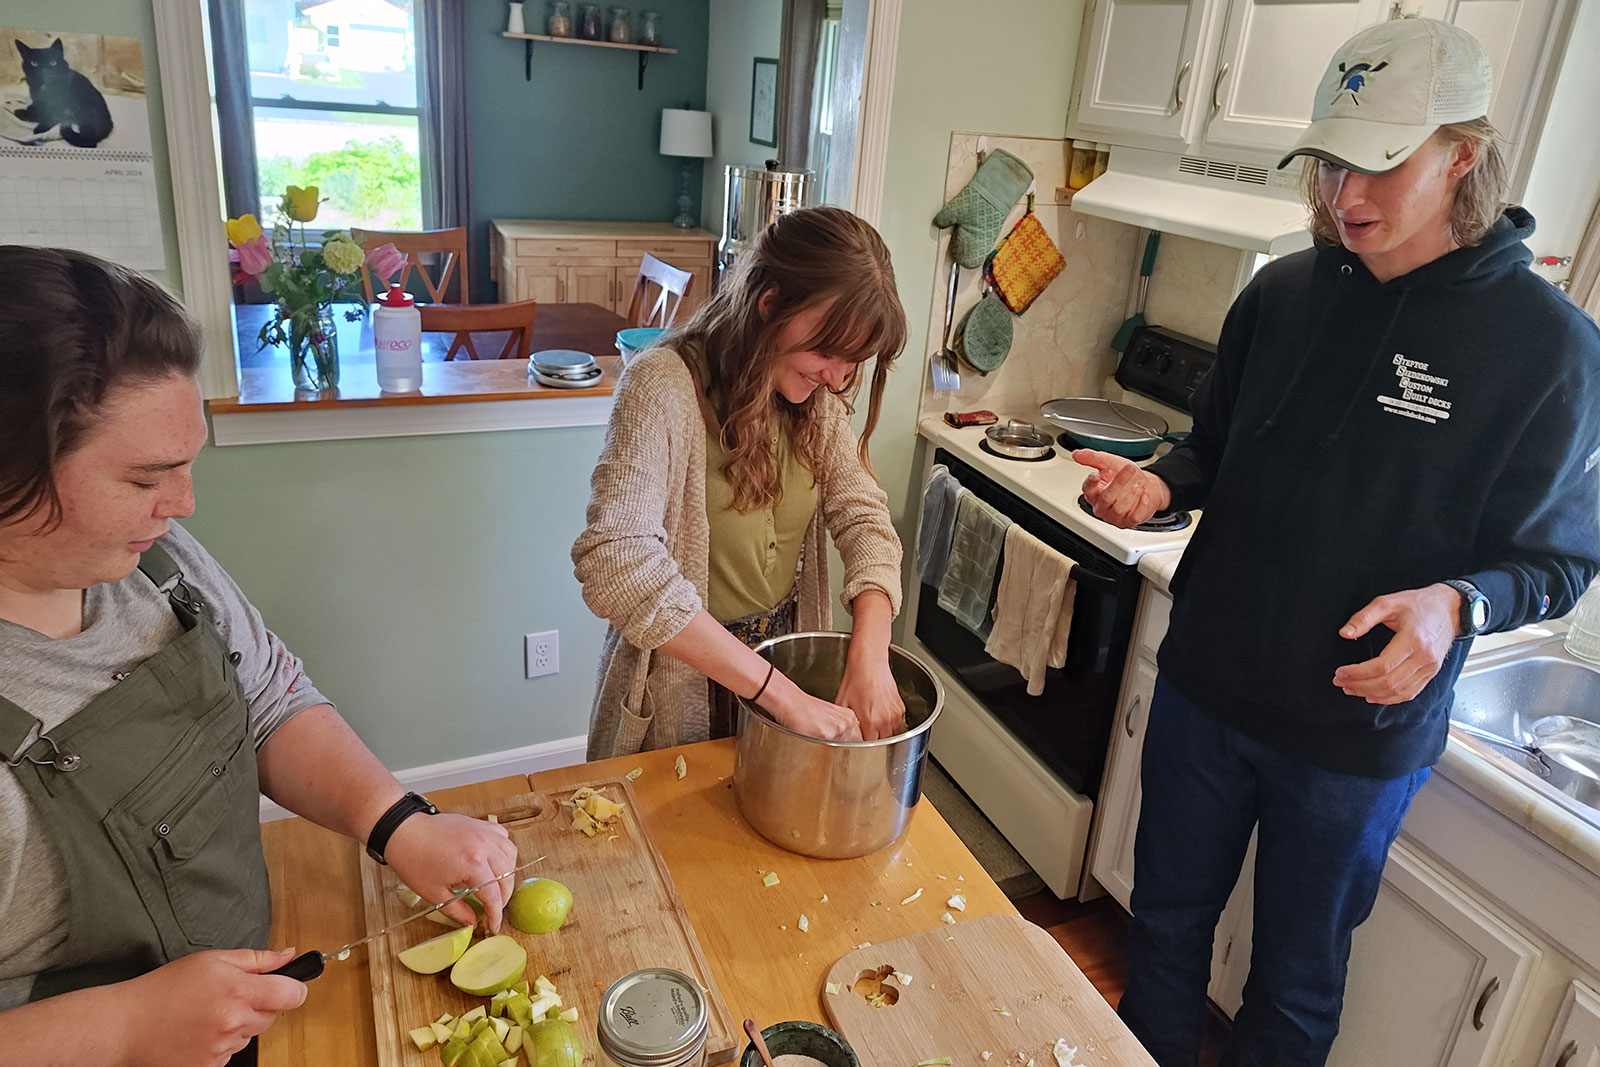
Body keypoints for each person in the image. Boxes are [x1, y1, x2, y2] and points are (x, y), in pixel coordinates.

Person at [1074, 19, 1600, 1067]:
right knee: (1163, 932)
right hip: (1206, 685)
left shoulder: (1551, 350)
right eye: (1327, 161)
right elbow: (1212, 450)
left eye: (1380, 161)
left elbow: (1556, 562)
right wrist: (1157, 483)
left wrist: (1456, 600)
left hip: (1353, 736)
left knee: (1296, 986)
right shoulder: (1279, 292)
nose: (1343, 194)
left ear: (1462, 152)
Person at [0, 247, 520, 1066]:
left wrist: (398, 823)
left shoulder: (153, 567)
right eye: (145, 481)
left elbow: (269, 699)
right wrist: (125, 1026)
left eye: (186, 466)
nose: (183, 508)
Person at [573, 205, 908, 758]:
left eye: (853, 363)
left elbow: (863, 517)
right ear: (769, 303)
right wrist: (778, 693)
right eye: (826, 352)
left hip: (785, 671)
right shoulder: (661, 385)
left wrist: (871, 653)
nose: (836, 378)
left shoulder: (817, 400)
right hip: (682, 682)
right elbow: (615, 557)